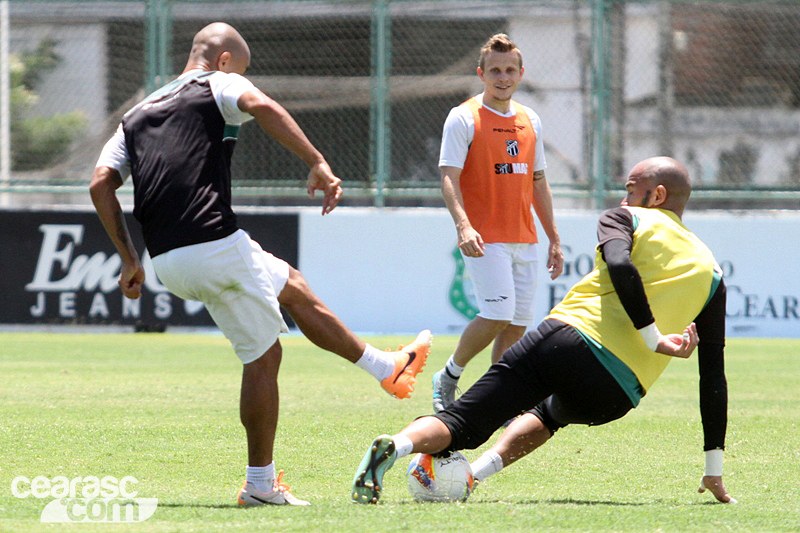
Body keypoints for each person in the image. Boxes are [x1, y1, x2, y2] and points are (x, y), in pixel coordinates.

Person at [90, 22, 432, 507]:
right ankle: (259, 485)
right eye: (242, 69)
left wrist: (129, 258)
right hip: (212, 242)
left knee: (291, 283)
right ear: (224, 59)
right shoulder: (219, 81)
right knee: (264, 356)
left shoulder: (135, 113)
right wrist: (317, 162)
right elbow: (263, 106)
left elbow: (101, 181)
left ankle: (386, 369)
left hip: (165, 259)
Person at [351, 156, 735, 505]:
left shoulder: (627, 219)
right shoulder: (713, 272)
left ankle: (397, 446)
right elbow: (713, 374)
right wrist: (713, 467)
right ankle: (474, 476)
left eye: (631, 189)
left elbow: (620, 266)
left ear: (658, 195)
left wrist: (652, 336)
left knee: (462, 422)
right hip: (617, 394)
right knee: (549, 415)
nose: (624, 198)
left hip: (567, 341)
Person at [433, 33, 563, 413]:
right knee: (497, 313)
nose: (502, 77)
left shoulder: (530, 119)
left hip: (525, 236)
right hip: (484, 236)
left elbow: (538, 180)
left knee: (519, 324)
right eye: (495, 70)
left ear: (521, 74)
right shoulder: (463, 117)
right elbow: (448, 176)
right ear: (481, 73)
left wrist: (553, 237)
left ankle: (499, 399)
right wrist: (463, 226)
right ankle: (449, 376)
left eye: (509, 70)